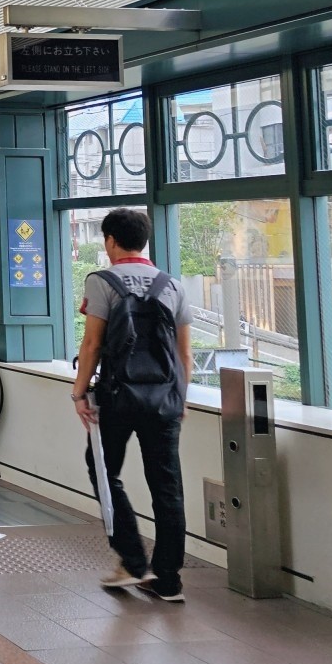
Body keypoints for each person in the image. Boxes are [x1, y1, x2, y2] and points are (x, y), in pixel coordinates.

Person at [71, 208, 193, 603]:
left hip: (118, 398)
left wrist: (78, 393)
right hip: (165, 400)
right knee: (167, 485)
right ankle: (168, 580)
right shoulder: (172, 284)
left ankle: (133, 560)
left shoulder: (101, 281)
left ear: (110, 241)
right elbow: (184, 356)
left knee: (104, 472)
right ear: (144, 240)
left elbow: (91, 344)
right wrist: (180, 399)